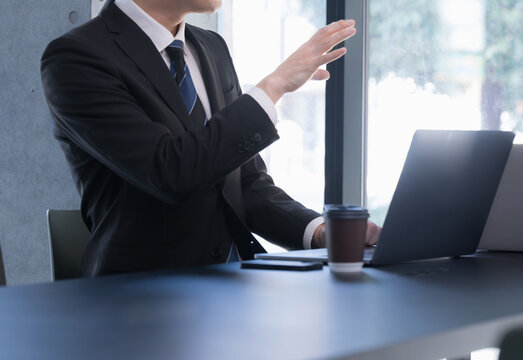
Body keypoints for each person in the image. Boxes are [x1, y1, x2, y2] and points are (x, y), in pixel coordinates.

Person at [41, 0, 380, 276]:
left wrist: (319, 231)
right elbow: (168, 171)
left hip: (232, 289)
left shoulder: (210, 48)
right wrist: (273, 86)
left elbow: (243, 185)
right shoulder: (76, 58)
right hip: (139, 302)